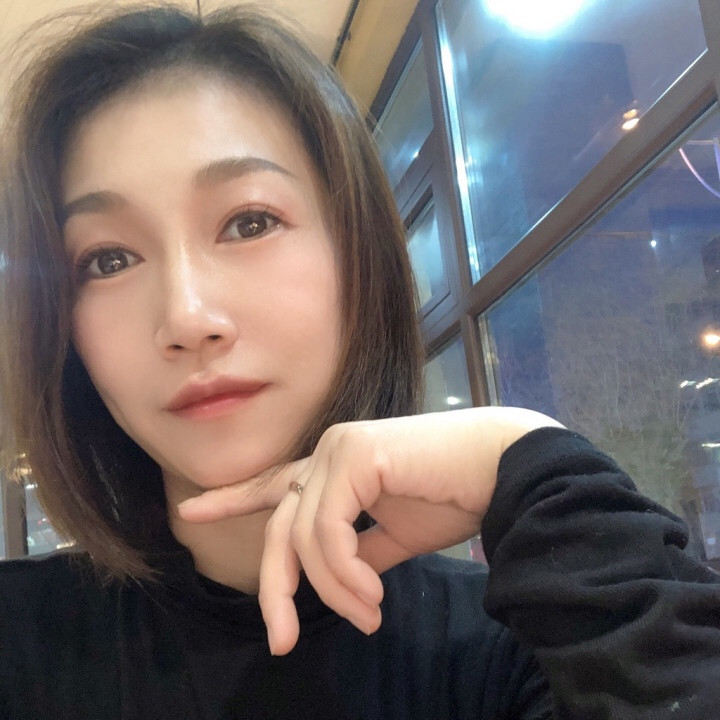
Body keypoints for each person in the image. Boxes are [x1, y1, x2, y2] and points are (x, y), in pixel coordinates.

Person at [0, 5, 718, 719]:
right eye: (108, 259)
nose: (187, 318)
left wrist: (528, 462)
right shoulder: (22, 644)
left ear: (359, 259)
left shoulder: (510, 654)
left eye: (249, 222)